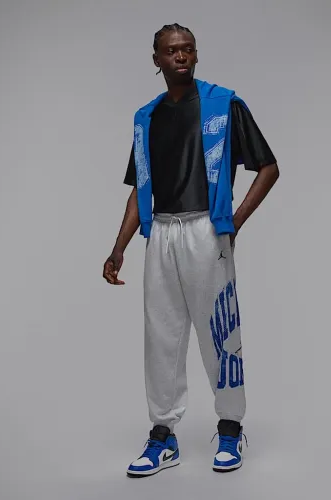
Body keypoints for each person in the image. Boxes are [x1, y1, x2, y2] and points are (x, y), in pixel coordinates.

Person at [103, 23, 279, 478]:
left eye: (188, 49)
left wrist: (233, 222)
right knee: (161, 336)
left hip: (206, 229)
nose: (181, 56)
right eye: (171, 51)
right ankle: (163, 436)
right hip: (161, 232)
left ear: (196, 55)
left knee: (220, 330)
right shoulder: (146, 117)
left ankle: (230, 428)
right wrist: (118, 248)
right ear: (156, 60)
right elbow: (140, 188)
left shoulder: (224, 103)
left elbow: (268, 167)